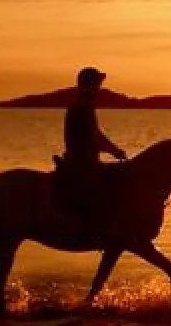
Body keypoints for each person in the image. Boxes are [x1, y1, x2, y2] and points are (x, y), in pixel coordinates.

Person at [54, 67, 127, 221]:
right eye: (97, 84)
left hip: (85, 160)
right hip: (82, 162)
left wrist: (115, 150)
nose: (99, 89)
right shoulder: (82, 107)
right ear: (89, 85)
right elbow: (93, 137)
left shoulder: (83, 105)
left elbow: (97, 135)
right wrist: (115, 151)